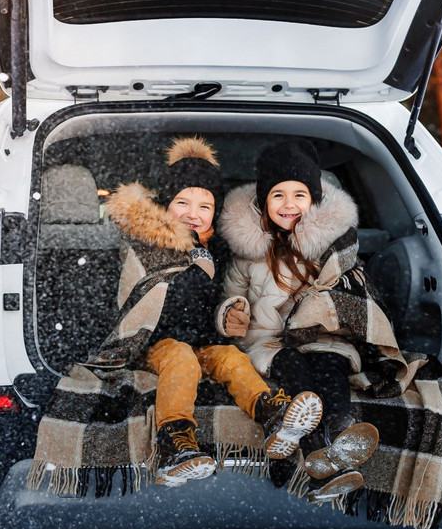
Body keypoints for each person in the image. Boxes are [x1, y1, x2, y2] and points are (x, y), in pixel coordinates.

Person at [102, 136, 324, 486]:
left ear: (215, 212)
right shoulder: (149, 245)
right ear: (165, 205)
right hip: (156, 344)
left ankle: (273, 414)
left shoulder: (217, 250)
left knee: (231, 358)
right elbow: (144, 304)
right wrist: (192, 274)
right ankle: (174, 441)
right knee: (180, 358)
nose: (193, 213)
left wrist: (228, 312)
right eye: (182, 202)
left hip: (203, 342)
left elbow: (218, 300)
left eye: (204, 206)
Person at [218, 137, 394, 501]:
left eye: (299, 195)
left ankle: (338, 434)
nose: (289, 204)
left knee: (330, 365)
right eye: (278, 195)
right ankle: (321, 455)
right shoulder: (245, 257)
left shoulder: (331, 251)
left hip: (322, 338)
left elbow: (354, 293)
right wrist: (230, 314)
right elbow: (229, 298)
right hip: (265, 341)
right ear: (263, 202)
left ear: (314, 200)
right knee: (294, 368)